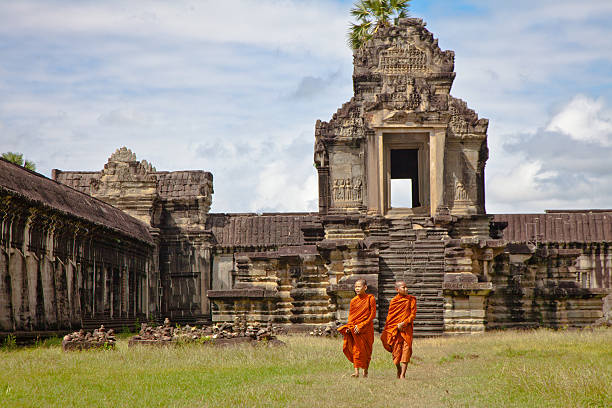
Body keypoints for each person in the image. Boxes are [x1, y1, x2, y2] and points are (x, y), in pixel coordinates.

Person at [338, 279, 376, 378]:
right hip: (355, 328)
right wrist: (349, 326)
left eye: (359, 286)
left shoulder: (370, 298)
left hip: (366, 328)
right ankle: (356, 372)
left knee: (366, 350)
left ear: (365, 287)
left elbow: (372, 315)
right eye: (355, 287)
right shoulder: (353, 301)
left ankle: (365, 371)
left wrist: (362, 325)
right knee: (356, 349)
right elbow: (351, 315)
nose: (357, 289)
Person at [380, 280, 417, 379]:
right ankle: (398, 368)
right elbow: (390, 317)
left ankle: (402, 375)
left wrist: (404, 323)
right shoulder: (394, 301)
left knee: (406, 349)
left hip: (406, 329)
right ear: (397, 289)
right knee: (396, 352)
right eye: (403, 287)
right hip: (395, 329)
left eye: (406, 287)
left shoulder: (411, 300)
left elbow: (412, 315)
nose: (406, 289)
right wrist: (393, 327)